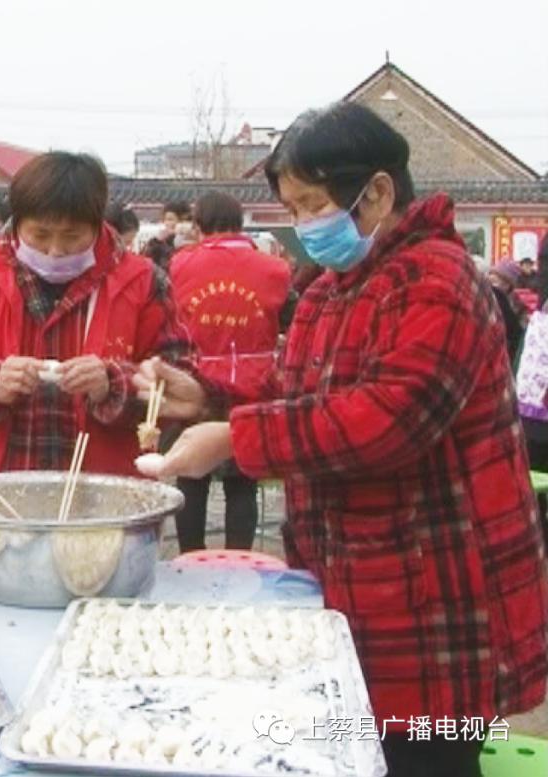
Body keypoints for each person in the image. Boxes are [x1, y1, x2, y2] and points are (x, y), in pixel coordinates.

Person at [137, 103, 548, 777]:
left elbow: (383, 421)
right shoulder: (334, 286)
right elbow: (301, 387)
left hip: (435, 593)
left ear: (378, 192)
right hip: (361, 580)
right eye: (293, 208)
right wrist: (207, 394)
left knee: (427, 754)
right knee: (360, 747)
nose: (304, 226)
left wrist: (234, 436)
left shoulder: (438, 279)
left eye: (313, 204)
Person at [0, 152, 192, 483]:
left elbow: (181, 385)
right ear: (18, 222)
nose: (55, 250)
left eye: (72, 237)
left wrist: (113, 383)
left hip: (105, 497)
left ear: (98, 225)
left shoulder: (143, 281)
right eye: (40, 235)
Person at [167, 192, 291, 552]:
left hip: (193, 382)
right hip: (254, 384)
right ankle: (239, 559)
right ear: (240, 222)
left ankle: (189, 557)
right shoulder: (274, 268)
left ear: (199, 223)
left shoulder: (180, 264)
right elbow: (286, 318)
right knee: (243, 480)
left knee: (191, 476)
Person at [486, 260, 529, 366]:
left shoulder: (515, 304)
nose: (491, 279)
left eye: (496, 278)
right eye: (491, 275)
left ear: (508, 285)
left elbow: (518, 333)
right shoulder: (486, 295)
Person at [143, 200, 191, 271]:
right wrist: (156, 242)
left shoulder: (190, 240)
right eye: (165, 220)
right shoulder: (159, 242)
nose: (167, 223)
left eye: (170, 219)